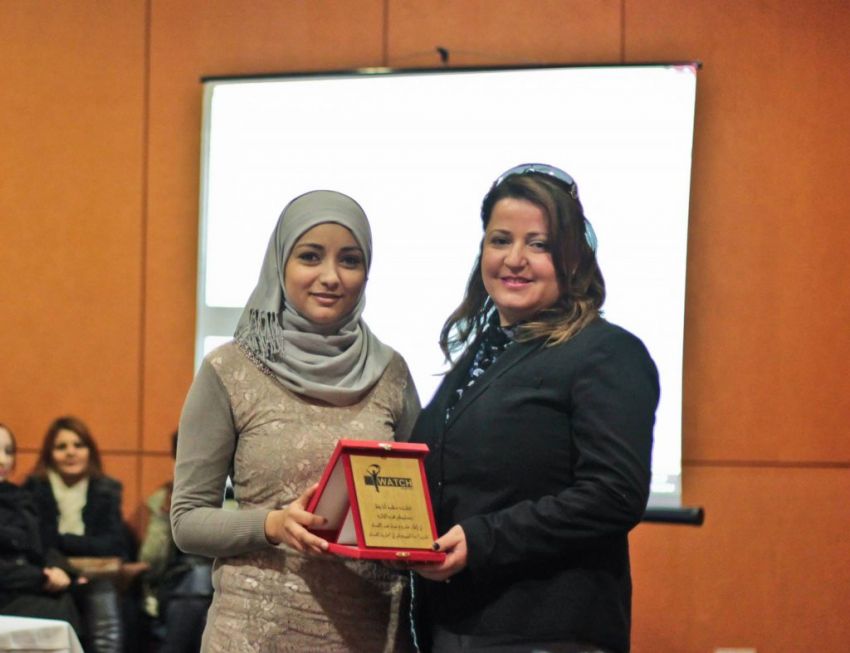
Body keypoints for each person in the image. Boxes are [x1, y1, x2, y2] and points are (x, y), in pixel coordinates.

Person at [409, 164, 660, 653]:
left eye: (539, 244)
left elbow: (613, 495)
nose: (515, 259)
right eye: (500, 240)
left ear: (573, 257)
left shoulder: (607, 352)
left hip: (549, 632)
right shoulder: (483, 354)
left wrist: (483, 540)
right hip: (454, 628)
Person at [171, 189, 421, 652]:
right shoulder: (230, 369)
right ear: (280, 264)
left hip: (371, 634)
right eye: (310, 256)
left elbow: (419, 508)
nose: (330, 276)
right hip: (255, 636)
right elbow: (187, 522)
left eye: (350, 260)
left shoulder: (392, 373)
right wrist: (272, 525)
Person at [24, 416, 131, 653]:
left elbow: (113, 544)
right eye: (61, 446)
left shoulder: (107, 490)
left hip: (95, 574)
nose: (70, 452)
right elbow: (38, 543)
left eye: (78, 445)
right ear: (49, 454)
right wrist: (67, 561)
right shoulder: (33, 489)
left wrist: (63, 540)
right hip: (50, 572)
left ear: (89, 451)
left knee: (102, 593)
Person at [0, 422, 83, 636]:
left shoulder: (23, 499)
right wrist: (42, 577)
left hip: (28, 586)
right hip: (11, 589)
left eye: (8, 451)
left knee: (91, 592)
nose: (3, 460)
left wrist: (61, 570)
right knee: (57, 607)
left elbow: (46, 545)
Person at [139, 430, 212, 652]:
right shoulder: (166, 499)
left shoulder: (238, 495)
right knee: (196, 581)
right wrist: (165, 515)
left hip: (224, 584)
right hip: (178, 585)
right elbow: (151, 559)